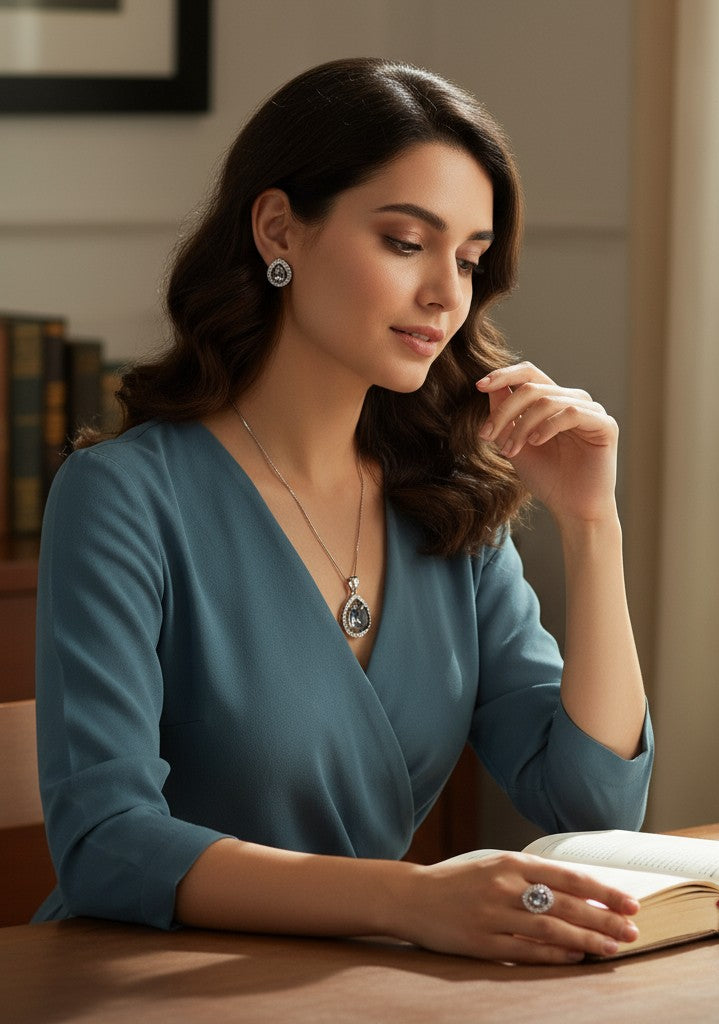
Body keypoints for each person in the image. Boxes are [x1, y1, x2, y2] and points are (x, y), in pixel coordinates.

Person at [33, 57, 653, 965]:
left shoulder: (448, 500)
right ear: (280, 228)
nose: (446, 293)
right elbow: (105, 841)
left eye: (470, 259)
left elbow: (594, 801)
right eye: (407, 242)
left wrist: (593, 526)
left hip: (360, 984)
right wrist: (413, 899)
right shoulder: (124, 497)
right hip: (142, 987)